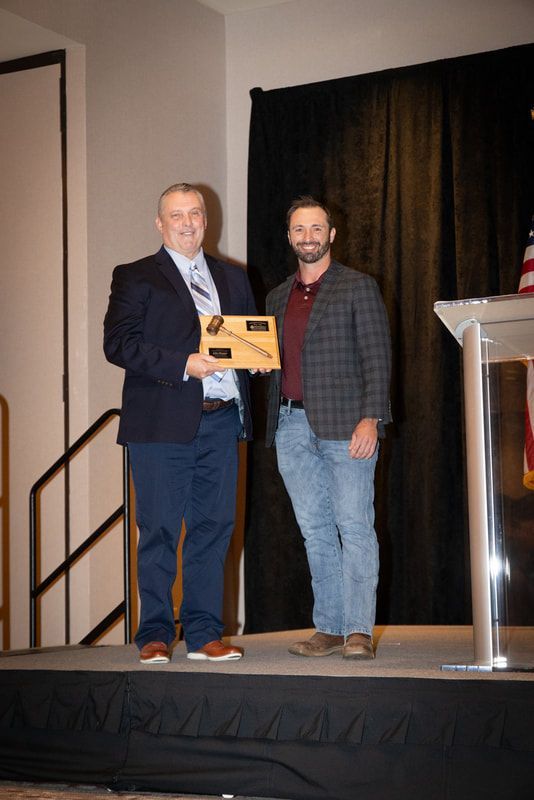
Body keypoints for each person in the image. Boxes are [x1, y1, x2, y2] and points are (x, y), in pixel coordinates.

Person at [104, 183, 256, 664]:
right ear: (160, 223)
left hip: (222, 421)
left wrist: (257, 361)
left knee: (213, 528)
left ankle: (204, 633)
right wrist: (182, 364)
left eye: (195, 214)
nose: (187, 223)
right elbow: (118, 344)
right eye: (177, 215)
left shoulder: (233, 278)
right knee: (159, 530)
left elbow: (249, 338)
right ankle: (154, 633)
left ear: (206, 221)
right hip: (160, 425)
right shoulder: (135, 276)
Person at [265, 196, 392, 660]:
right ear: (289, 237)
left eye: (316, 228)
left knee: (354, 526)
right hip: (290, 427)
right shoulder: (276, 297)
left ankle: (358, 630)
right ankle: (330, 627)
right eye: (300, 229)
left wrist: (371, 419)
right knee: (315, 530)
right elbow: (276, 360)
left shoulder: (358, 286)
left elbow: (378, 357)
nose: (308, 237)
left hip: (347, 426)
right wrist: (261, 366)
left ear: (331, 234)